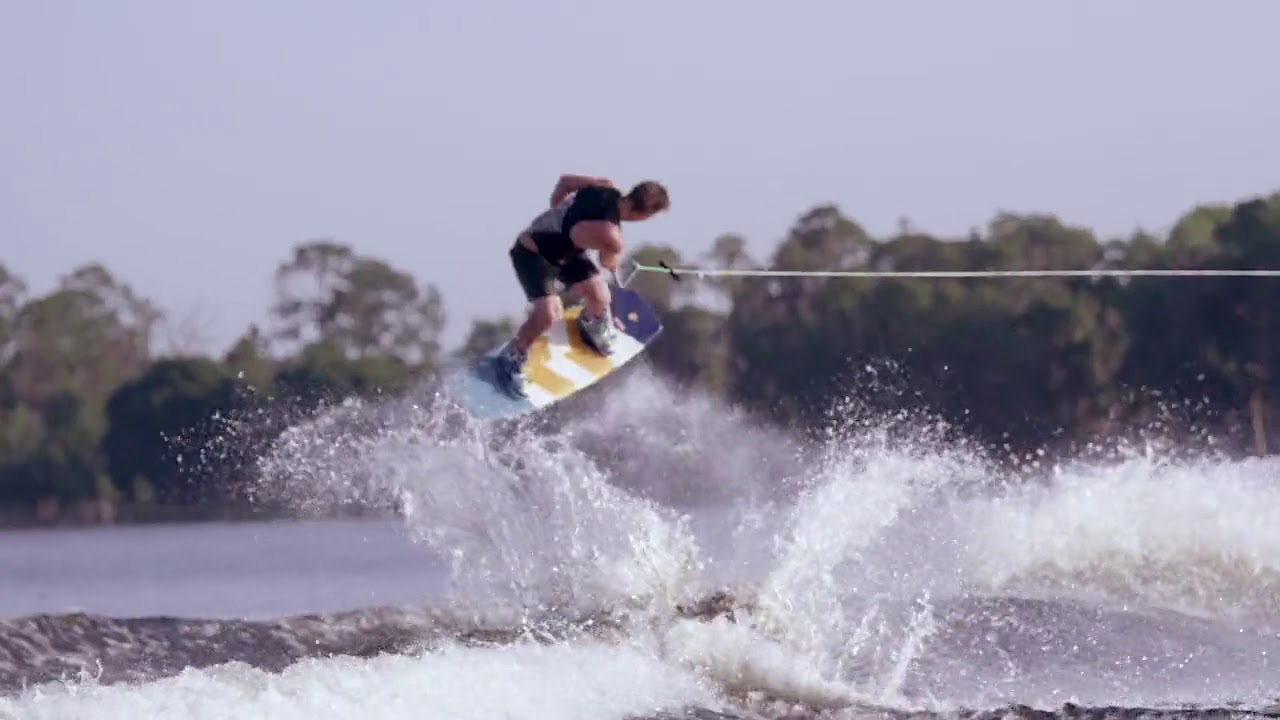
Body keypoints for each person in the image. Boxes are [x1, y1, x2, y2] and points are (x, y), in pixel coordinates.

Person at [494, 173, 670, 398]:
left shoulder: (606, 185)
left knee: (601, 298)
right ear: (644, 215)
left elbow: (565, 182)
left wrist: (558, 211)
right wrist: (613, 253)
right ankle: (512, 356)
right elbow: (607, 262)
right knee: (549, 314)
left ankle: (591, 326)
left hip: (567, 254)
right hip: (532, 254)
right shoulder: (612, 235)